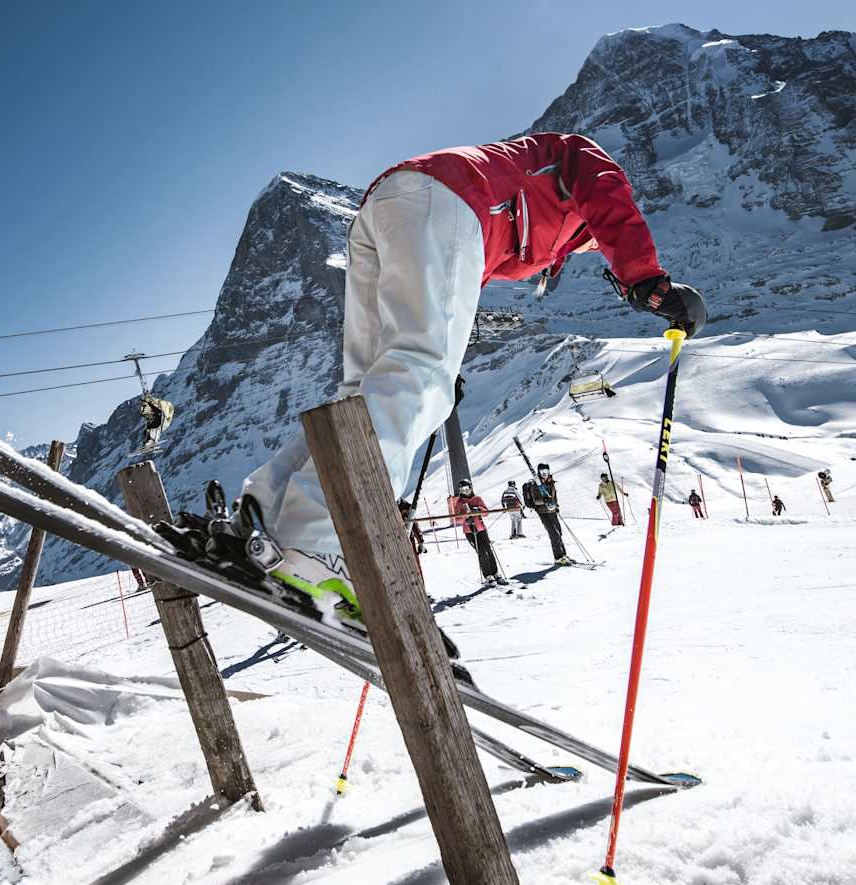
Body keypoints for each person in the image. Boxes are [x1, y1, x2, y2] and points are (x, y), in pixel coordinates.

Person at [229, 133, 706, 618]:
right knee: (416, 374)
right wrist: (644, 278)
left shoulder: (533, 217)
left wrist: (443, 363)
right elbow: (602, 188)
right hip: (447, 198)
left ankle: (261, 513)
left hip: (391, 206)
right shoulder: (580, 166)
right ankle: (318, 543)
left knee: (365, 388)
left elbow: (453, 276)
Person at [451, 479, 504, 584]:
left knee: (489, 550)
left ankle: (495, 572)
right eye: (463, 489)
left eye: (467, 488)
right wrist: (465, 514)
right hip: (469, 531)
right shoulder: (459, 503)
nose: (465, 491)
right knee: (481, 552)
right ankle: (487, 574)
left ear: (471, 488)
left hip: (481, 529)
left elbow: (486, 512)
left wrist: (478, 510)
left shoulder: (477, 499)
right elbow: (456, 519)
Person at [525, 462, 571, 564]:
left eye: (546, 471)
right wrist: (544, 500)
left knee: (559, 531)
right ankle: (558, 557)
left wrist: (556, 506)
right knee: (553, 534)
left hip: (552, 510)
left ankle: (564, 555)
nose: (544, 473)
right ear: (539, 472)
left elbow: (554, 496)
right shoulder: (535, 485)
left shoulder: (551, 482)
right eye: (542, 471)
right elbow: (535, 500)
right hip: (543, 512)